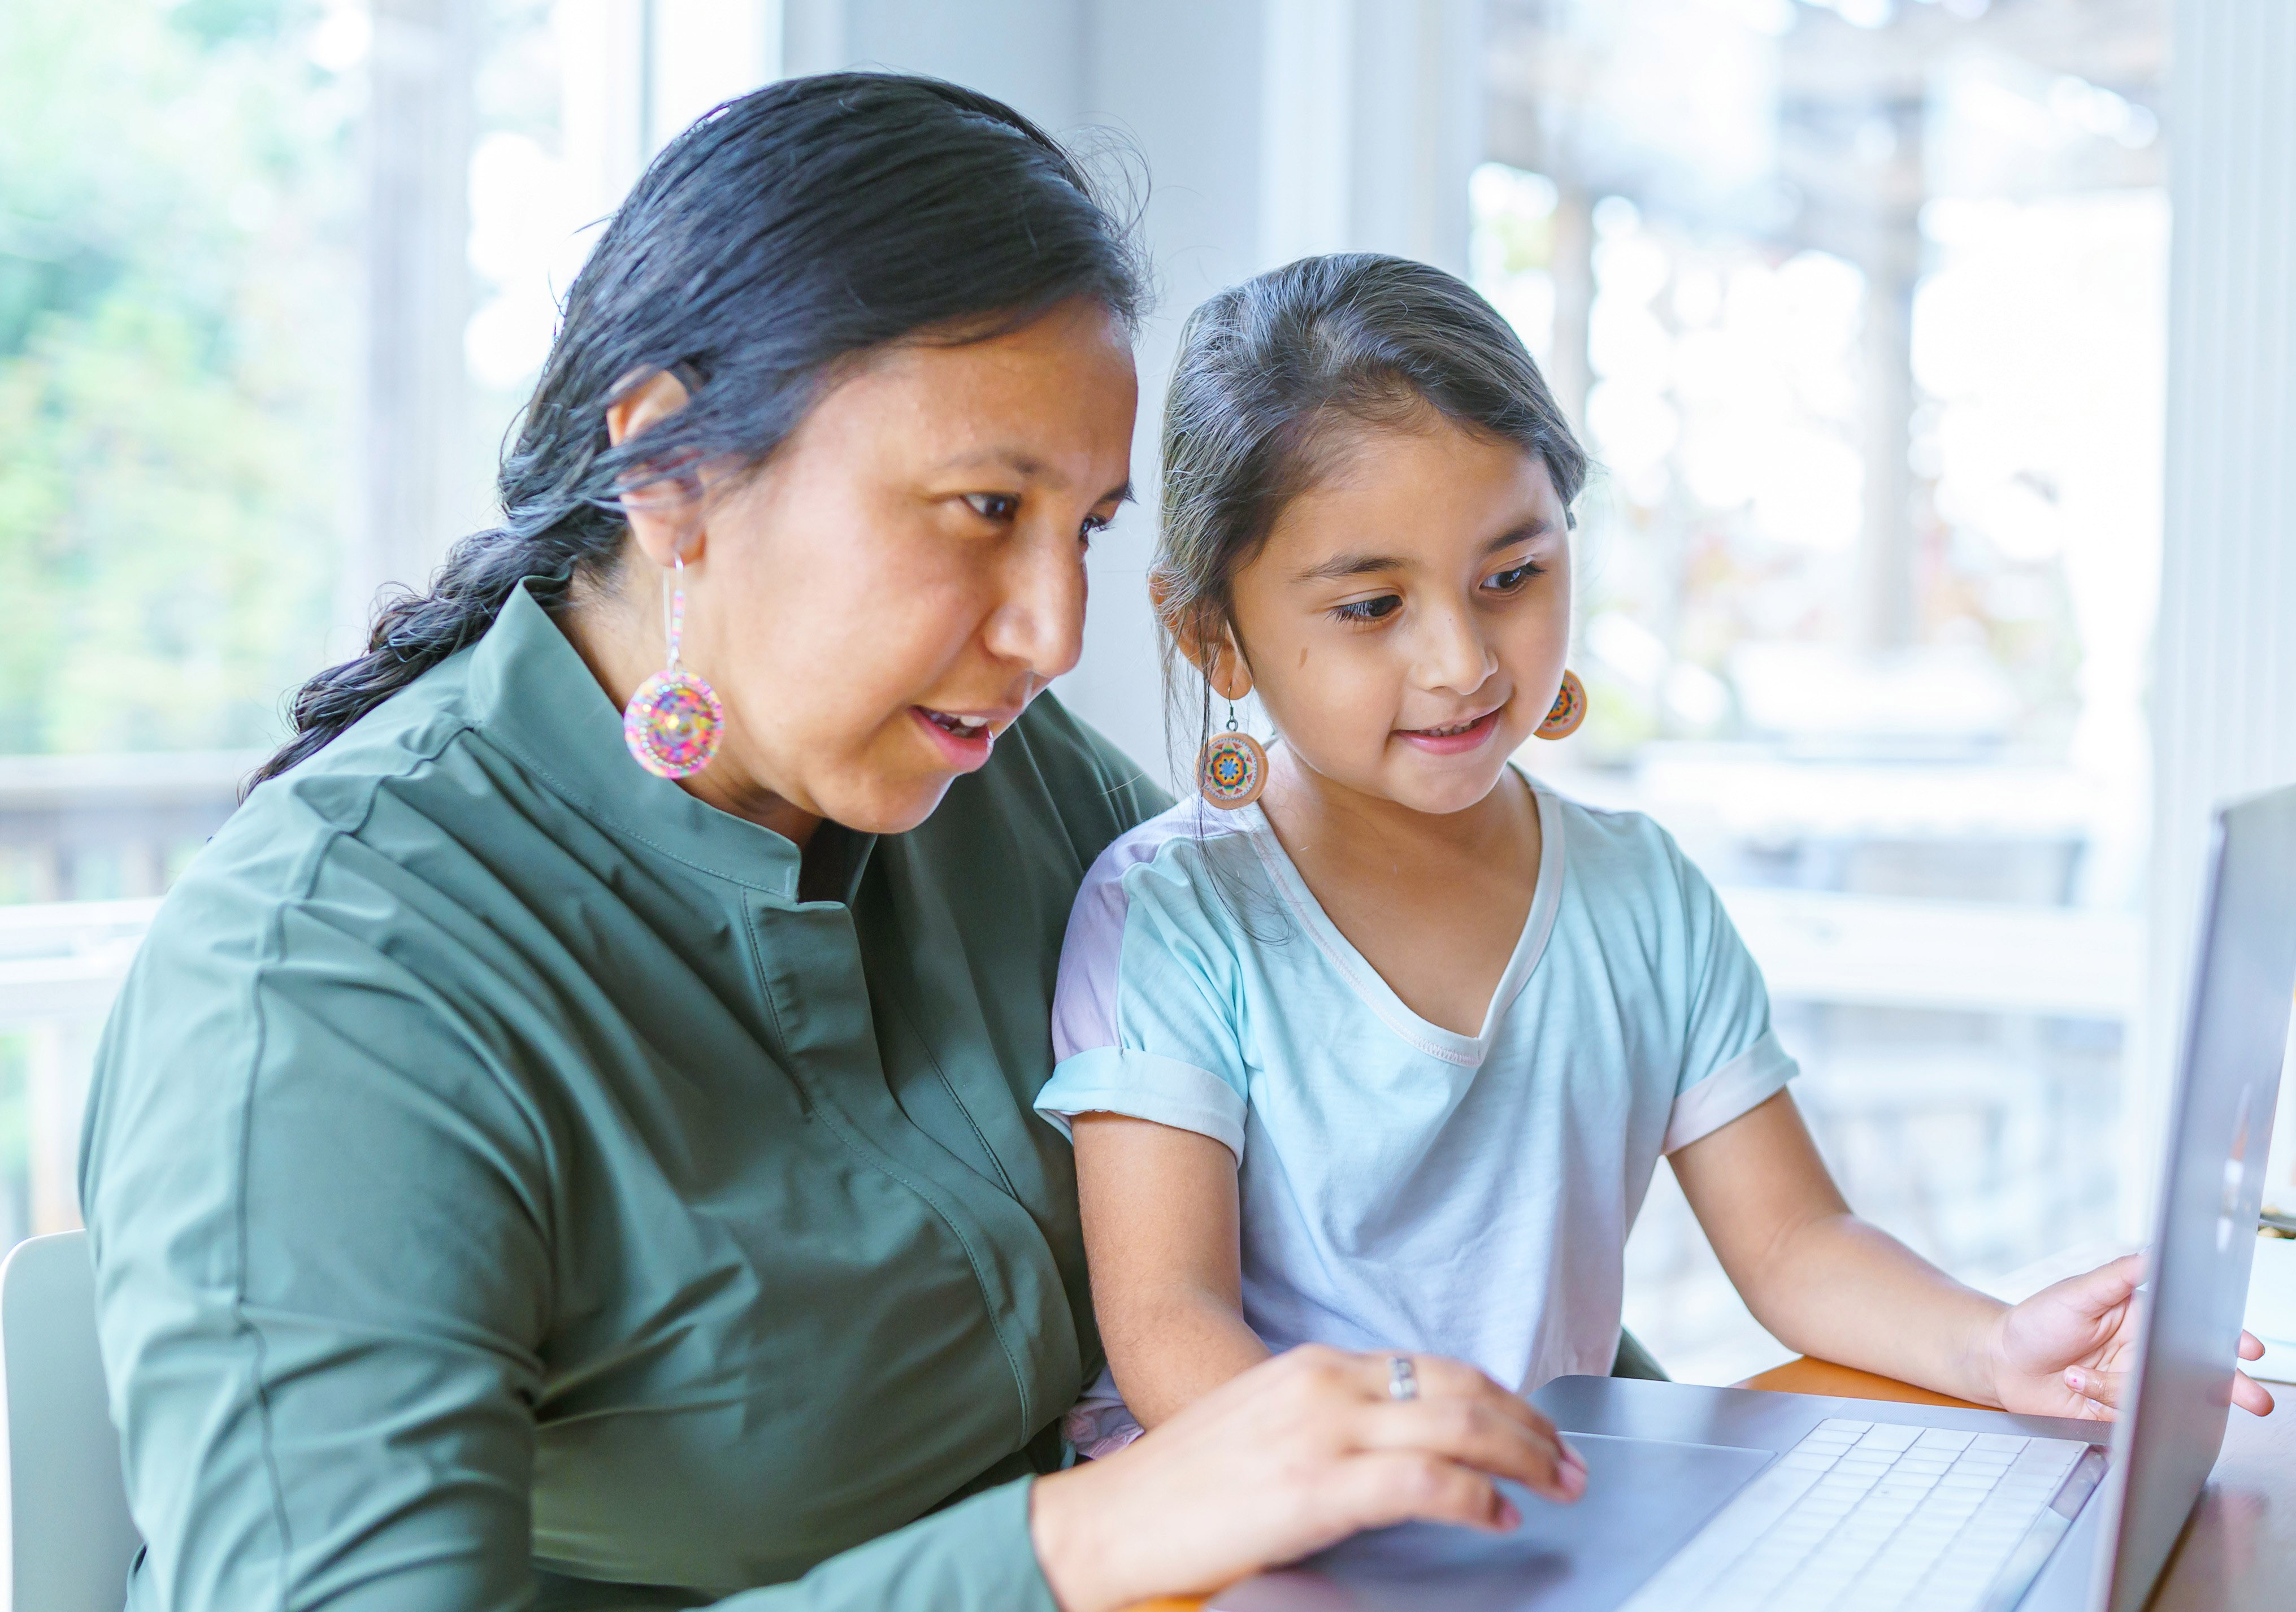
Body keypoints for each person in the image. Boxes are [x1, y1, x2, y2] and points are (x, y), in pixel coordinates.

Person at [78, 81, 1585, 1612]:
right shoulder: (333, 981)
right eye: (984, 508)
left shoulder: (1009, 781)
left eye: (1083, 529)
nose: (1050, 631)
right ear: (669, 472)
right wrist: (1078, 1543)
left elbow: (1392, 1200)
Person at [1033, 253, 2275, 1457]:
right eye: (1371, 607)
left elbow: (1795, 1241)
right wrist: (1377, 1473)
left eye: (1512, 572)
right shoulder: (1173, 914)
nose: (1462, 660)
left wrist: (1998, 1345)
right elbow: (1168, 1327)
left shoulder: (1640, 892)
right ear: (1216, 637)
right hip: (1256, 1516)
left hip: (1529, 1522)